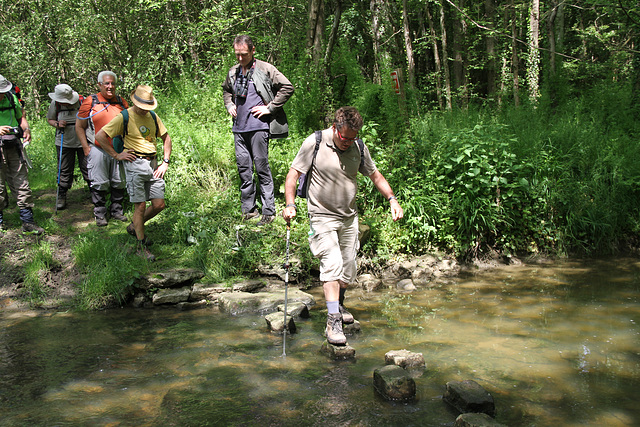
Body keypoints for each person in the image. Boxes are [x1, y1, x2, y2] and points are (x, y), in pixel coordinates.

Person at [282, 107, 403, 345]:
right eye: (344, 137)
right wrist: (290, 203)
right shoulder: (315, 142)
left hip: (349, 218)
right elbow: (293, 175)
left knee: (348, 271)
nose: (348, 142)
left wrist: (392, 199)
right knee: (332, 265)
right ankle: (333, 321)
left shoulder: (358, 147)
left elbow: (375, 175)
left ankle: (339, 303)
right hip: (321, 216)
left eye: (353, 137)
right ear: (334, 127)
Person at [222, 34, 294, 226]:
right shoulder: (233, 72)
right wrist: (229, 105)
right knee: (244, 169)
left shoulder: (265, 69)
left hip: (259, 127)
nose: (239, 58)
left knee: (261, 168)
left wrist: (269, 108)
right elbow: (227, 91)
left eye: (243, 54)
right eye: (236, 54)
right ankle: (249, 210)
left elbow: (287, 87)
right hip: (239, 128)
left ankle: (268, 211)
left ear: (253, 51)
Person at [95, 85, 172, 261]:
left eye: (148, 107)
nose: (145, 110)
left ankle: (134, 227)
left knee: (159, 204)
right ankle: (140, 245)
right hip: (134, 163)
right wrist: (116, 154)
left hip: (153, 164)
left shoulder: (153, 116)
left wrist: (165, 162)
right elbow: (100, 136)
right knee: (140, 206)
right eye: (143, 107)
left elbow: (166, 138)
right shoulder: (125, 116)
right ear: (135, 102)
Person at [76, 71, 129, 226]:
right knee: (99, 181)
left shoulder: (121, 102)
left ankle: (117, 211)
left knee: (119, 180)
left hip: (118, 148)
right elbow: (79, 126)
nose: (110, 86)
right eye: (106, 83)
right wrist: (85, 147)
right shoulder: (90, 102)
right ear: (99, 84)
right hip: (97, 148)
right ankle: (100, 213)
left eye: (112, 83)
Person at [0, 74, 43, 234]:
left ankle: (28, 222)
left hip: (14, 145)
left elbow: (21, 117)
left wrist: (26, 129)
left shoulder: (11, 98)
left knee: (21, 182)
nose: (2, 95)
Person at [46, 84, 89, 210]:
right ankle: (61, 195)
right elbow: (50, 119)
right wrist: (57, 124)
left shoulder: (83, 101)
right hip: (63, 141)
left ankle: (96, 195)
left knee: (87, 167)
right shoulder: (55, 104)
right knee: (64, 169)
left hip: (83, 141)